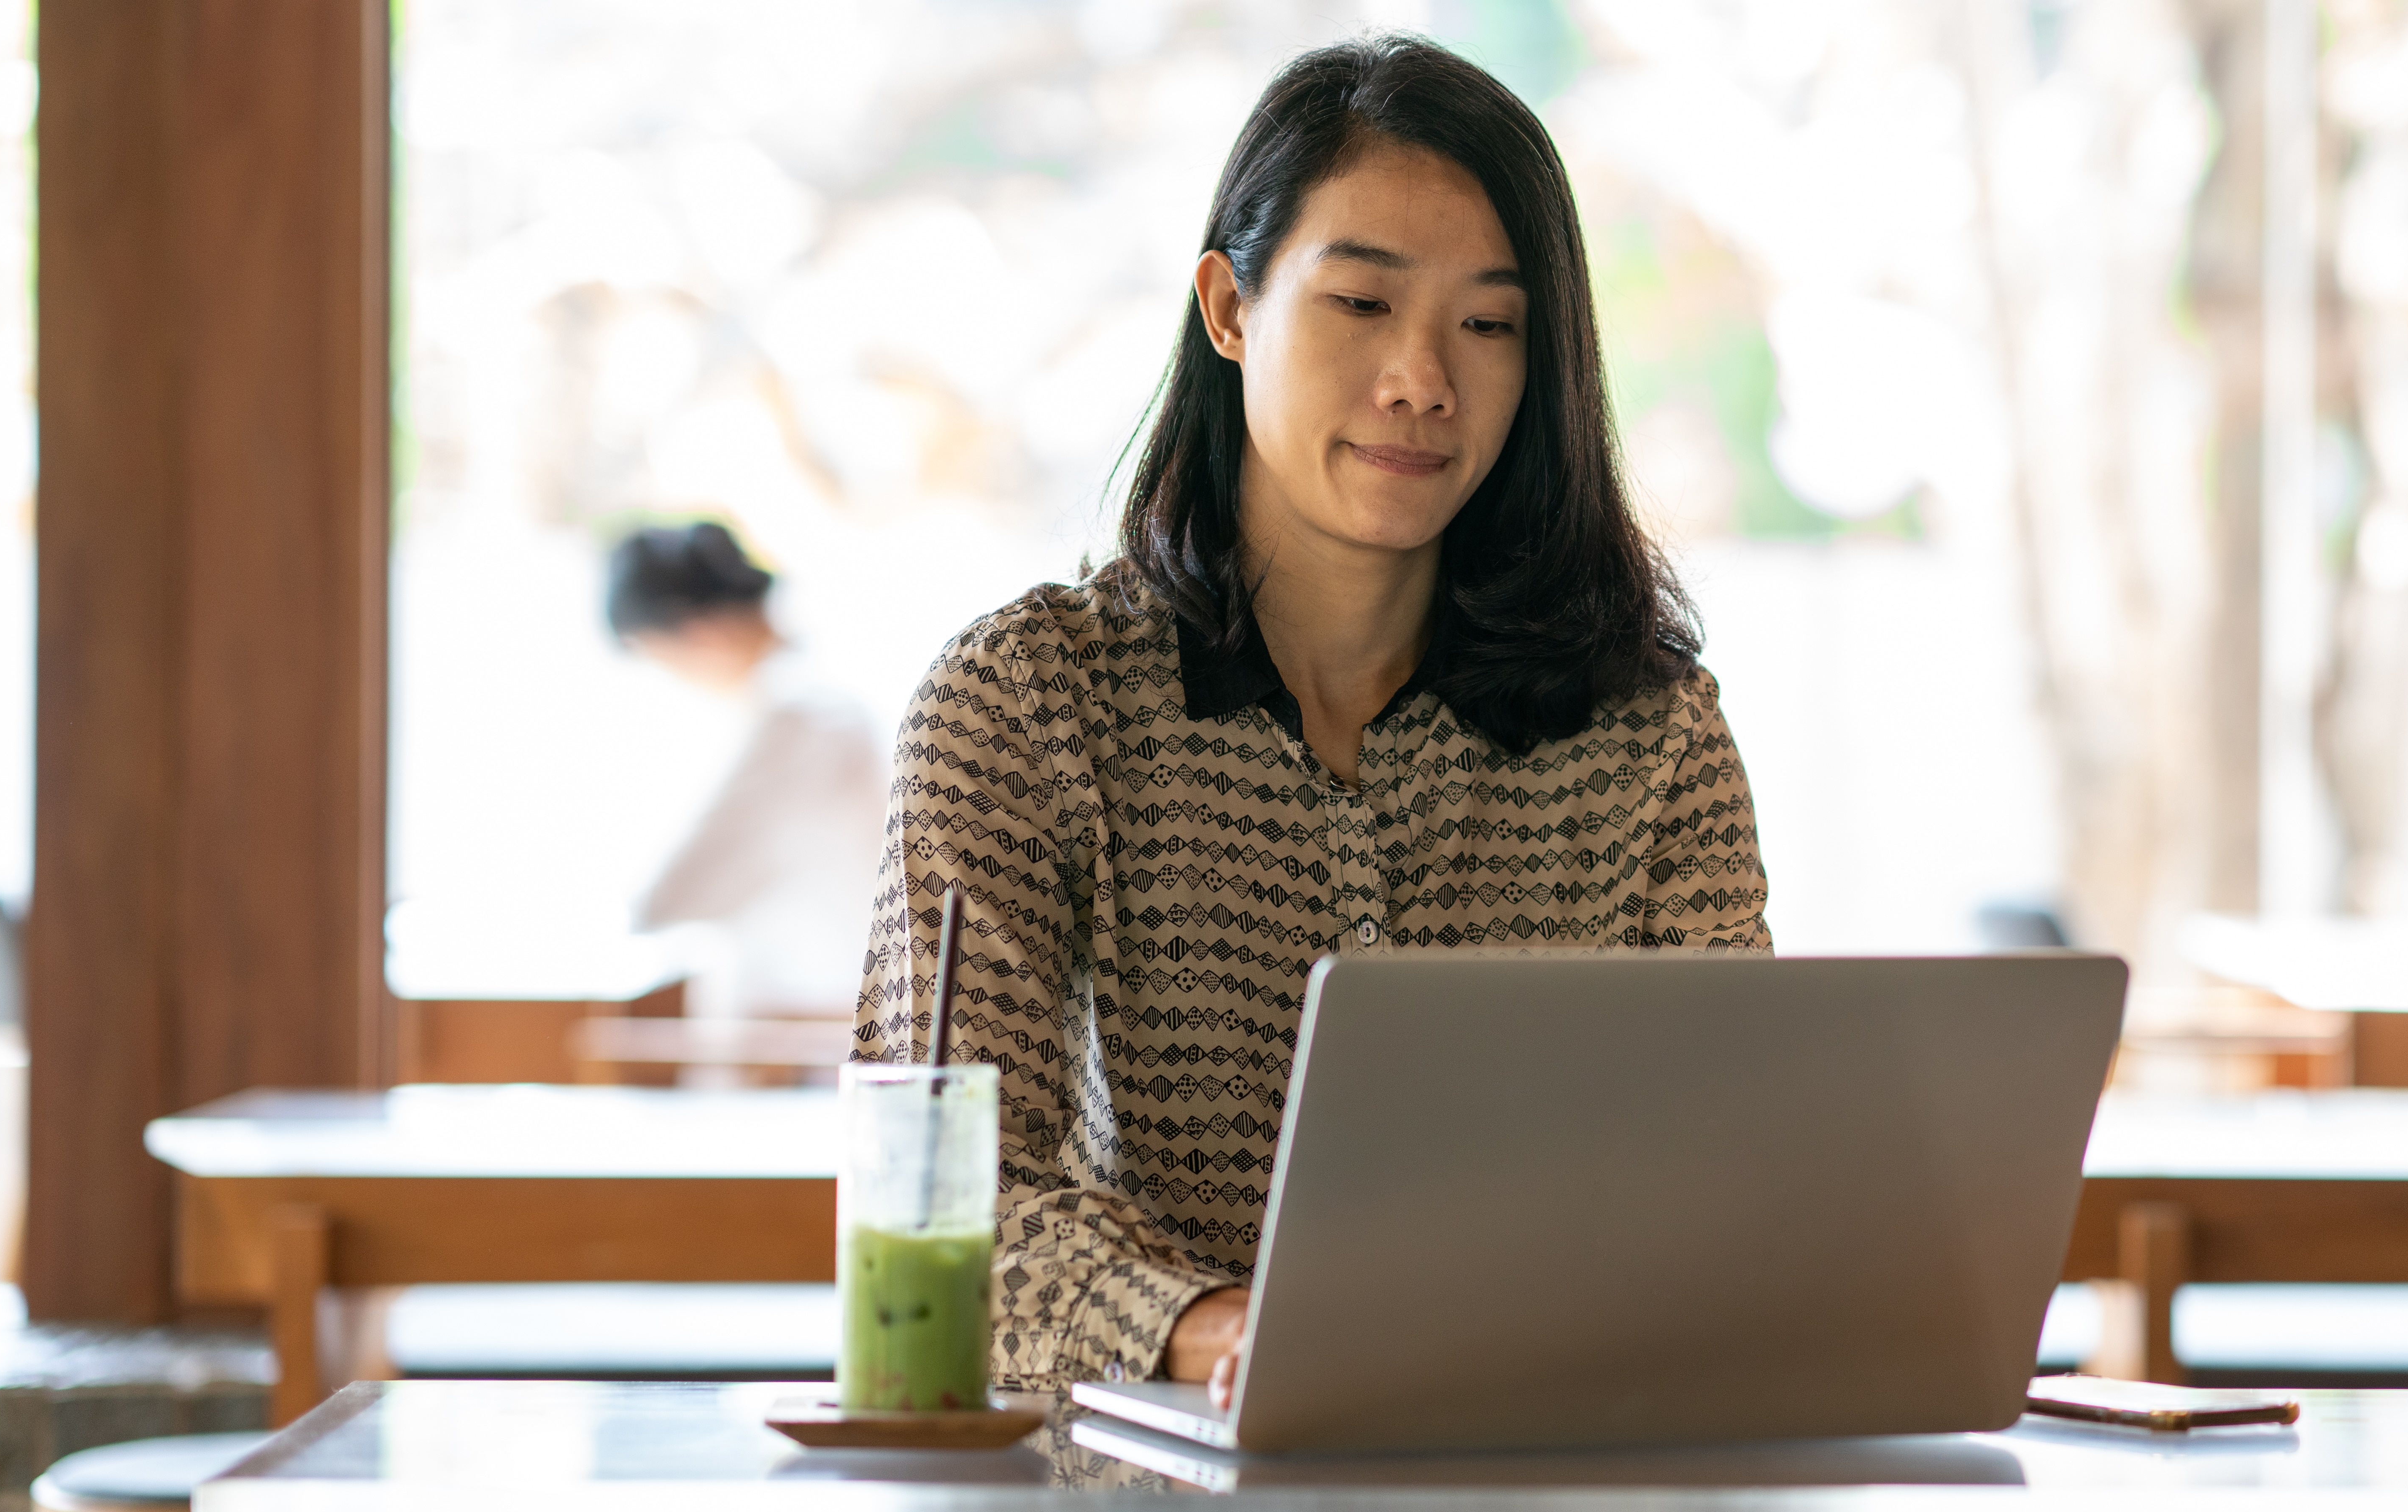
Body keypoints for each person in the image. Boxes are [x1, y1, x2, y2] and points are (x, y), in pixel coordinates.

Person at [852, 37, 1770, 1402]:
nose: (1423, 380)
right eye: (1359, 303)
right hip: (1152, 1472)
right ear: (1229, 308)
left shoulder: (1648, 730)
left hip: (1549, 1454)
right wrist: (1217, 1328)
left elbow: (1739, 1167)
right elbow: (949, 1205)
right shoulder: (1025, 700)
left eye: (1490, 322)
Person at [610, 520, 886, 1028]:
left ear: (696, 631)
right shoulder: (810, 702)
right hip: (814, 1027)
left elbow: (670, 896)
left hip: (811, 1039)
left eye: (658, 656)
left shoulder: (798, 717)